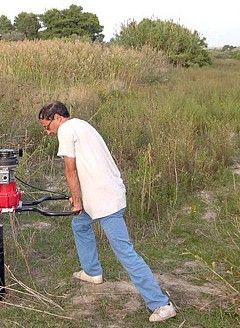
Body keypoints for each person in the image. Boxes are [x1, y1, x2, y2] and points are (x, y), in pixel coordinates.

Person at [38, 101, 176, 322]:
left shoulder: (65, 129)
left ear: (57, 117)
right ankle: (92, 272)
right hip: (101, 193)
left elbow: (70, 170)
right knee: (80, 225)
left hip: (104, 198)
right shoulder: (82, 125)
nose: (47, 132)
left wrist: (75, 200)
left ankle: (161, 304)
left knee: (124, 251)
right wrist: (80, 201)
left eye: (47, 126)